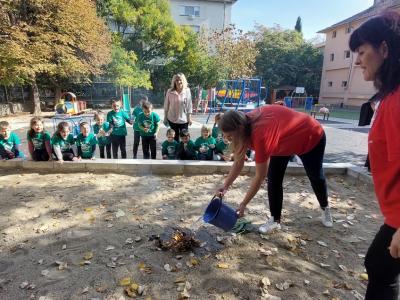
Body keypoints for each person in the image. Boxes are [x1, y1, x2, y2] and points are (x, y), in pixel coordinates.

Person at [216, 105, 333, 234]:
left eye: (230, 137)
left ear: (240, 129)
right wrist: (225, 186)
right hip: (282, 141)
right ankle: (275, 220)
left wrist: (243, 204)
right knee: (274, 180)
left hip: (310, 136)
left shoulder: (261, 135)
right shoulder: (243, 123)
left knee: (315, 176)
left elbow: (260, 177)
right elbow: (238, 162)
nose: (228, 140)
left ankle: (325, 207)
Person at [349, 12, 400, 299]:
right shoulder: (389, 97)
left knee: (379, 266)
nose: (357, 60)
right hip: (394, 212)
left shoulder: (397, 101)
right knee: (380, 267)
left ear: (384, 49)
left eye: (361, 51)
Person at [164, 73, 193, 142]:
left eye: (180, 80)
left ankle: (185, 152)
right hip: (172, 119)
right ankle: (176, 152)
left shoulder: (187, 91)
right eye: (176, 80)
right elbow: (166, 105)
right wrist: (165, 117)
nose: (178, 82)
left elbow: (189, 105)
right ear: (174, 81)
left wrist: (189, 118)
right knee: (175, 139)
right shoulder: (170, 91)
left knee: (185, 138)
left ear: (183, 80)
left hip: (184, 119)